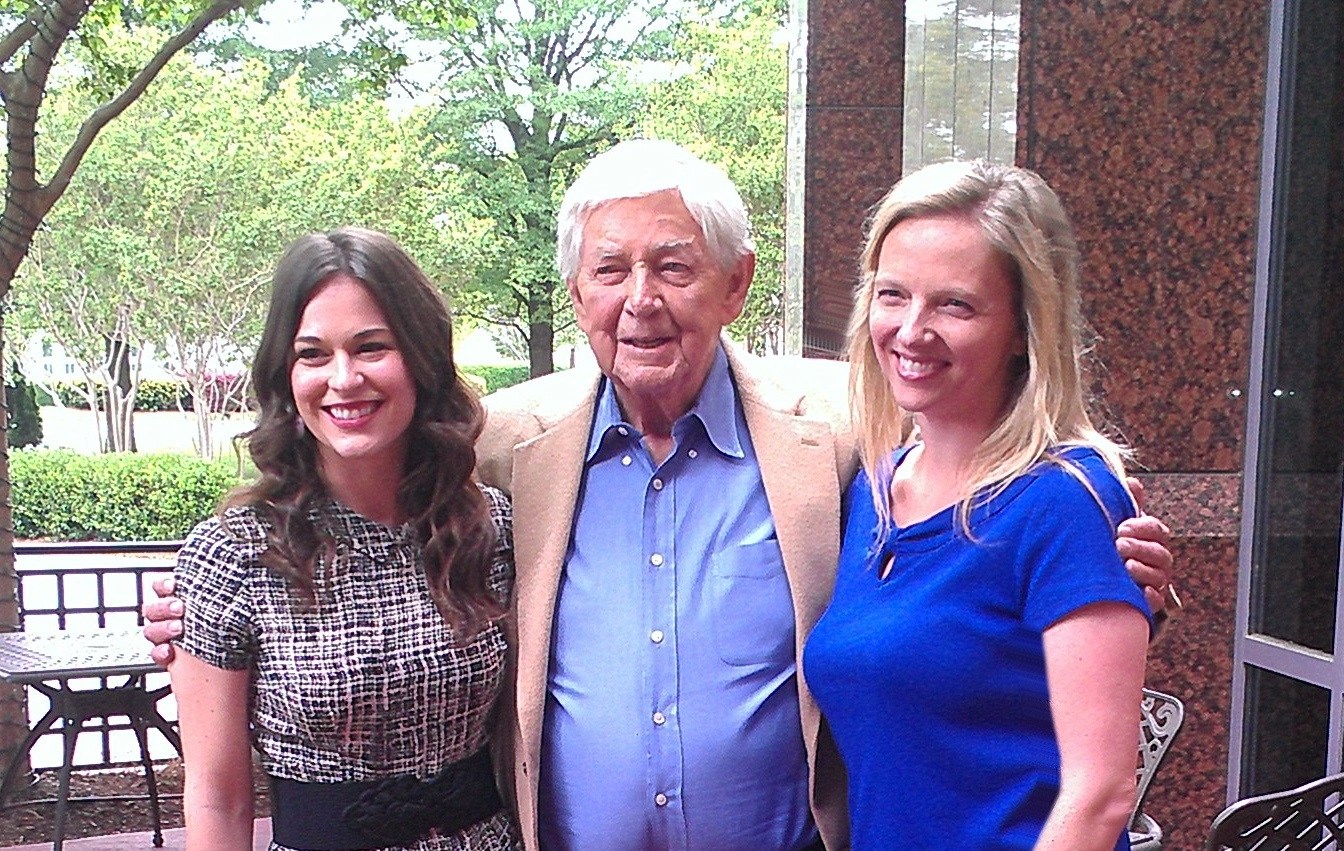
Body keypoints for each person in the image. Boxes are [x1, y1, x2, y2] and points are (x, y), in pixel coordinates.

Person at [146, 142, 1176, 851]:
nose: (640, 298)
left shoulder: (844, 431)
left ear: (736, 283)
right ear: (577, 292)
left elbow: (1011, 484)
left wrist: (1117, 566)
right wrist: (209, 617)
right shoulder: (507, 446)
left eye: (674, 266)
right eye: (610, 269)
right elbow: (368, 498)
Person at [803, 160, 1153, 850]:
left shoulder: (1063, 499)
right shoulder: (873, 493)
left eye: (954, 304)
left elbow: (1101, 794)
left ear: (1025, 327)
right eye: (892, 294)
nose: (910, 330)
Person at [166, 227, 519, 851]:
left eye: (371, 347)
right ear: (285, 371)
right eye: (312, 354)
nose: (343, 378)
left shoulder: (490, 529)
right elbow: (218, 799)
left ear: (421, 358)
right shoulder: (233, 555)